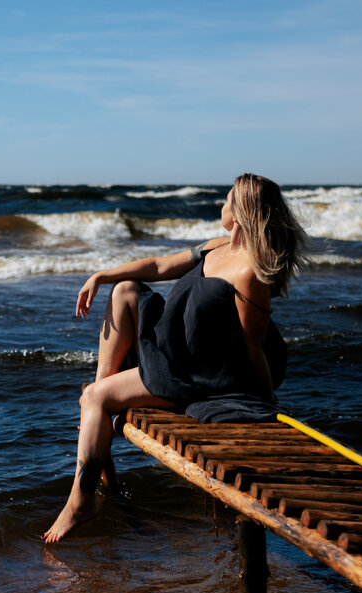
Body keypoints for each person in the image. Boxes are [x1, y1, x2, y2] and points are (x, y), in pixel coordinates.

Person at [42, 174, 308, 543]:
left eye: (228, 199)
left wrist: (267, 403)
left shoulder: (250, 274)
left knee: (94, 398)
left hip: (196, 376)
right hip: (176, 349)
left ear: (242, 211)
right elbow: (159, 266)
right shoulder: (215, 248)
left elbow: (252, 346)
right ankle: (101, 402)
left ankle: (81, 501)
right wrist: (100, 275)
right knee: (124, 290)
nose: (222, 205)